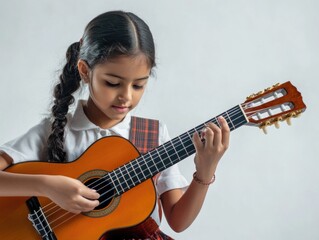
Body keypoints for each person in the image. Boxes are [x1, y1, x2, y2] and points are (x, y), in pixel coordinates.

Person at [0, 10, 230, 239]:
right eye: (112, 83)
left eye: (138, 85)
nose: (126, 97)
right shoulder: (54, 131)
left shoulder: (152, 135)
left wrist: (205, 170)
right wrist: (46, 186)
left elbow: (178, 221)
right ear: (85, 71)